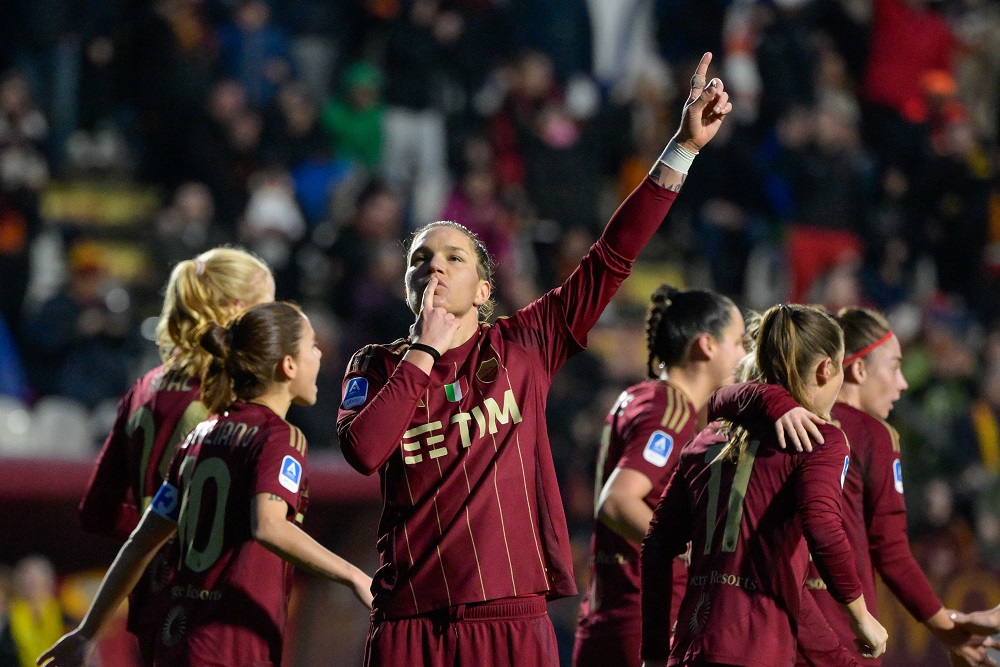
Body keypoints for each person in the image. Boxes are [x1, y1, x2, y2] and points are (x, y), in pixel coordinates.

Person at [336, 52, 733, 667]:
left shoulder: (524, 344)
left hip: (510, 617)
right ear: (408, 285)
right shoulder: (375, 366)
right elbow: (364, 453)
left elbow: (611, 257)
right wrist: (423, 352)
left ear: (486, 289)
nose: (434, 266)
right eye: (421, 259)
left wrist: (681, 148)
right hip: (409, 620)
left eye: (454, 257)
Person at [37, 302, 373, 667]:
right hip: (229, 649)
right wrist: (354, 576)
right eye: (312, 345)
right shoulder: (280, 438)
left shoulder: (199, 436)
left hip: (177, 641)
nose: (320, 354)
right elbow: (269, 526)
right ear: (288, 365)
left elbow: (140, 543)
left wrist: (88, 631)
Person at [708, 307, 996, 666]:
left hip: (760, 628)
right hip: (840, 629)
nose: (903, 382)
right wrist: (945, 630)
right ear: (855, 368)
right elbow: (890, 554)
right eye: (894, 366)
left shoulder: (750, 427)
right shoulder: (866, 435)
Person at [640, 304, 888, 667]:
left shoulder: (706, 440)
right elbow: (823, 526)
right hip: (755, 650)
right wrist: (861, 616)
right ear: (826, 369)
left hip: (690, 647)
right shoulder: (820, 441)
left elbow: (656, 546)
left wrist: (653, 654)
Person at [77, 247, 275, 662]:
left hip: (151, 603)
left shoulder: (144, 388)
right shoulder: (225, 396)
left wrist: (149, 526)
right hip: (211, 608)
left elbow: (98, 511)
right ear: (237, 308)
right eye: (267, 308)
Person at [573, 286, 746, 667]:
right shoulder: (669, 410)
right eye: (738, 342)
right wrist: (693, 553)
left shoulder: (638, 397)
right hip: (643, 621)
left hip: (606, 617)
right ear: (707, 346)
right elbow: (618, 500)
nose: (744, 354)